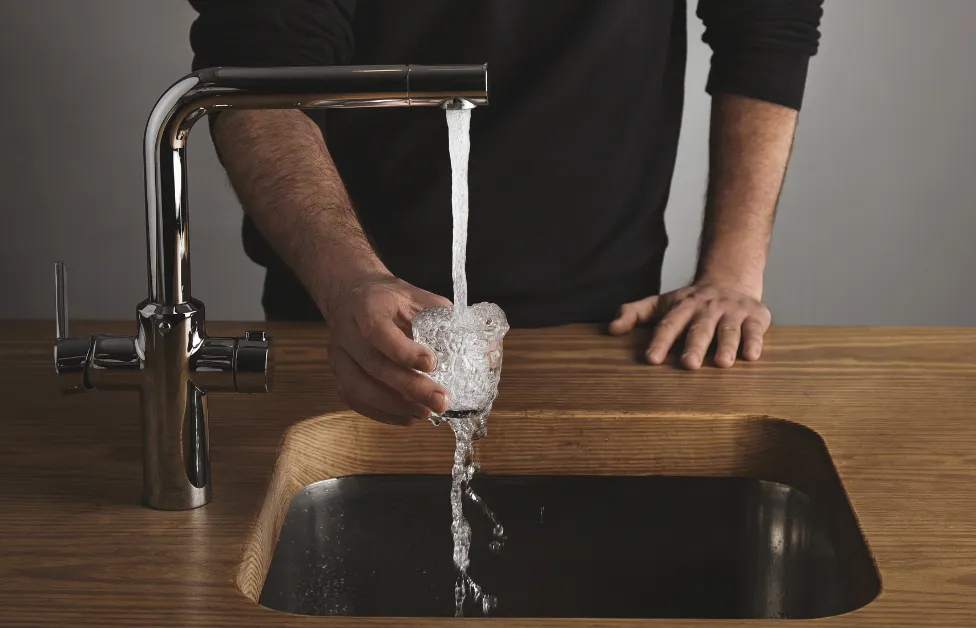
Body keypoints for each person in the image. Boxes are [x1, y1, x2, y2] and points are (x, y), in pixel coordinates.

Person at [188, 0, 824, 425]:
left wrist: (733, 273)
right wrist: (350, 280)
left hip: (609, 338)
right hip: (348, 334)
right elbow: (258, 76)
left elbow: (767, 24)